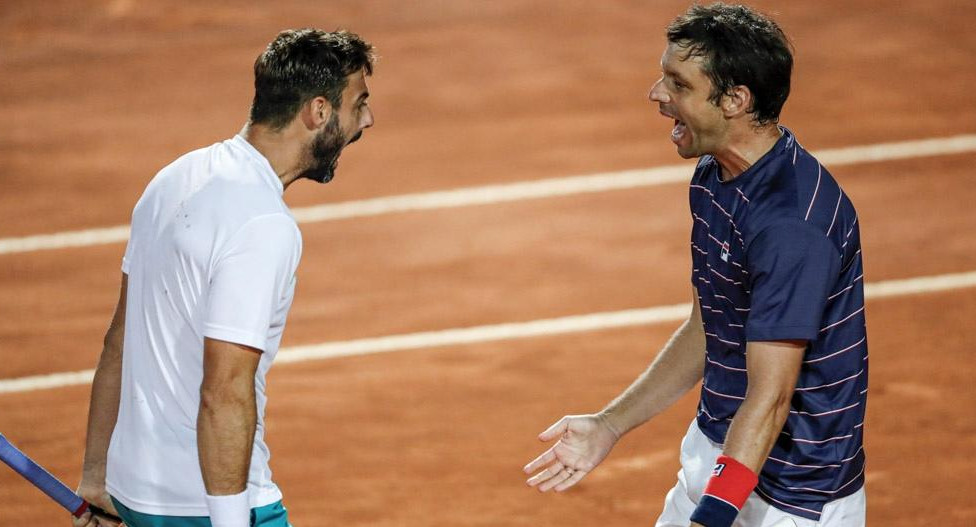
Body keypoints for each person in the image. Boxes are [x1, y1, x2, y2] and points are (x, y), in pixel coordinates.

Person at [523, 4, 867, 526]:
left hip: (793, 498)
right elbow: (710, 326)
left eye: (677, 84)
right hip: (719, 453)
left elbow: (771, 397)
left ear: (735, 100)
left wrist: (713, 516)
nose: (657, 95)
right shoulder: (716, 178)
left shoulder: (792, 225)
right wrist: (611, 424)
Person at [72, 28, 375, 527]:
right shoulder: (262, 225)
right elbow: (225, 390)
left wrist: (97, 480)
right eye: (358, 103)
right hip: (211, 507)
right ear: (318, 112)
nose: (367, 118)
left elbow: (118, 341)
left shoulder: (173, 178)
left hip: (134, 494)